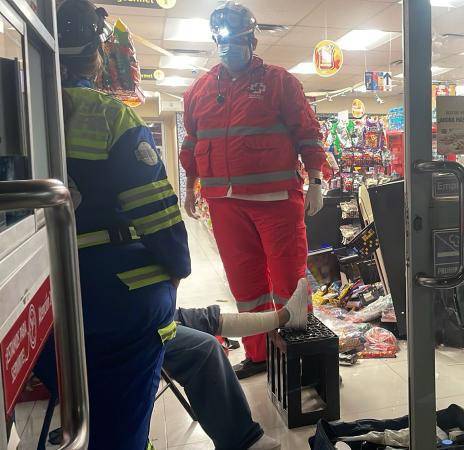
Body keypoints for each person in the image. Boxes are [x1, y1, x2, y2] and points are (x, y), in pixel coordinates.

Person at [54, 1, 191, 447]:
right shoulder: (108, 115)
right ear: (96, 56)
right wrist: (176, 272)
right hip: (115, 301)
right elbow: (157, 213)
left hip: (33, 309)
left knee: (77, 413)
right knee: (121, 425)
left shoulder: (13, 112)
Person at [180, 1, 325, 379]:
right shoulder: (199, 90)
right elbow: (192, 143)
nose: (229, 46)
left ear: (252, 40)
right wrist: (189, 186)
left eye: (238, 39)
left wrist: (316, 180)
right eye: (222, 40)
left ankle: (298, 355)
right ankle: (259, 354)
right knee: (246, 286)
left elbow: (308, 133)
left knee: (289, 282)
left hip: (276, 200)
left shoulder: (280, 82)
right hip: (224, 203)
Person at [162, 278, 309, 450]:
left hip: (132, 314)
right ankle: (241, 442)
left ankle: (283, 317)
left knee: (197, 318)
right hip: (131, 328)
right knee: (204, 348)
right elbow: (179, 264)